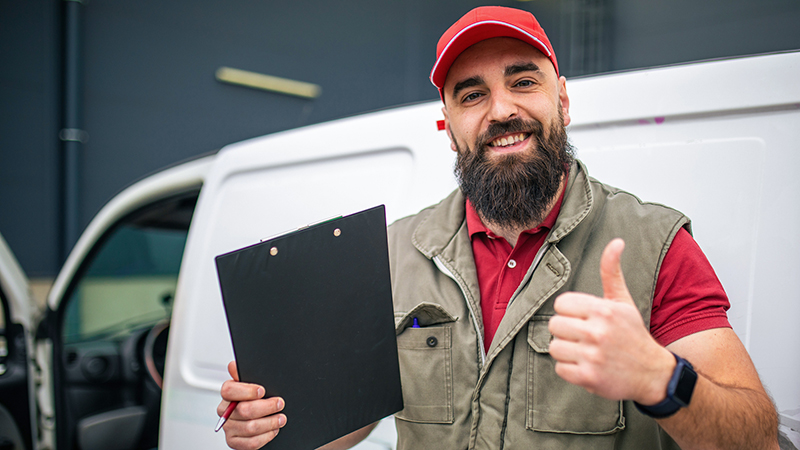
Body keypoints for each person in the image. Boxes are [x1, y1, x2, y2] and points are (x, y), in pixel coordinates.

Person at [218, 6, 779, 450]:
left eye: (524, 81)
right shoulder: (393, 254)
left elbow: (756, 439)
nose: (501, 110)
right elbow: (353, 419)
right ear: (448, 126)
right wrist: (274, 427)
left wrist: (662, 379)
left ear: (563, 101)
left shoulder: (655, 246)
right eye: (472, 95)